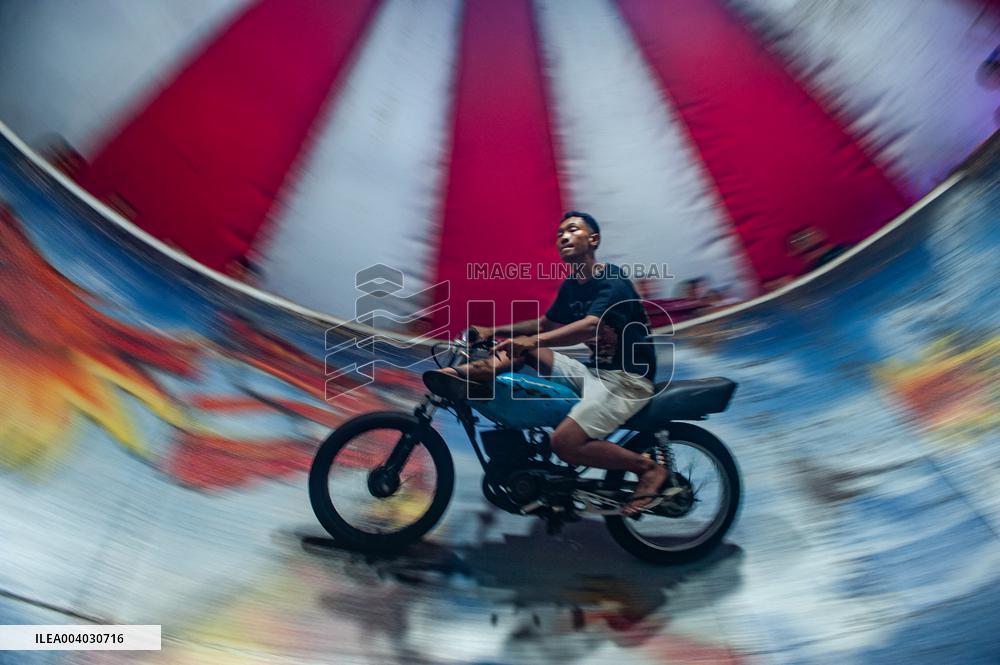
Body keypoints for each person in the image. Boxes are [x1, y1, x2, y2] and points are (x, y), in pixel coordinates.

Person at [424, 211, 671, 515]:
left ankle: (648, 469)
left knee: (564, 443)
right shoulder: (572, 286)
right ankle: (473, 374)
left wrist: (534, 341)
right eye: (559, 233)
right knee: (523, 350)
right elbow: (547, 323)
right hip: (594, 373)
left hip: (628, 381)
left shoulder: (612, 279)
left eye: (572, 230)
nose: (563, 236)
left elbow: (590, 326)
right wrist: (495, 331)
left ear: (593, 240)